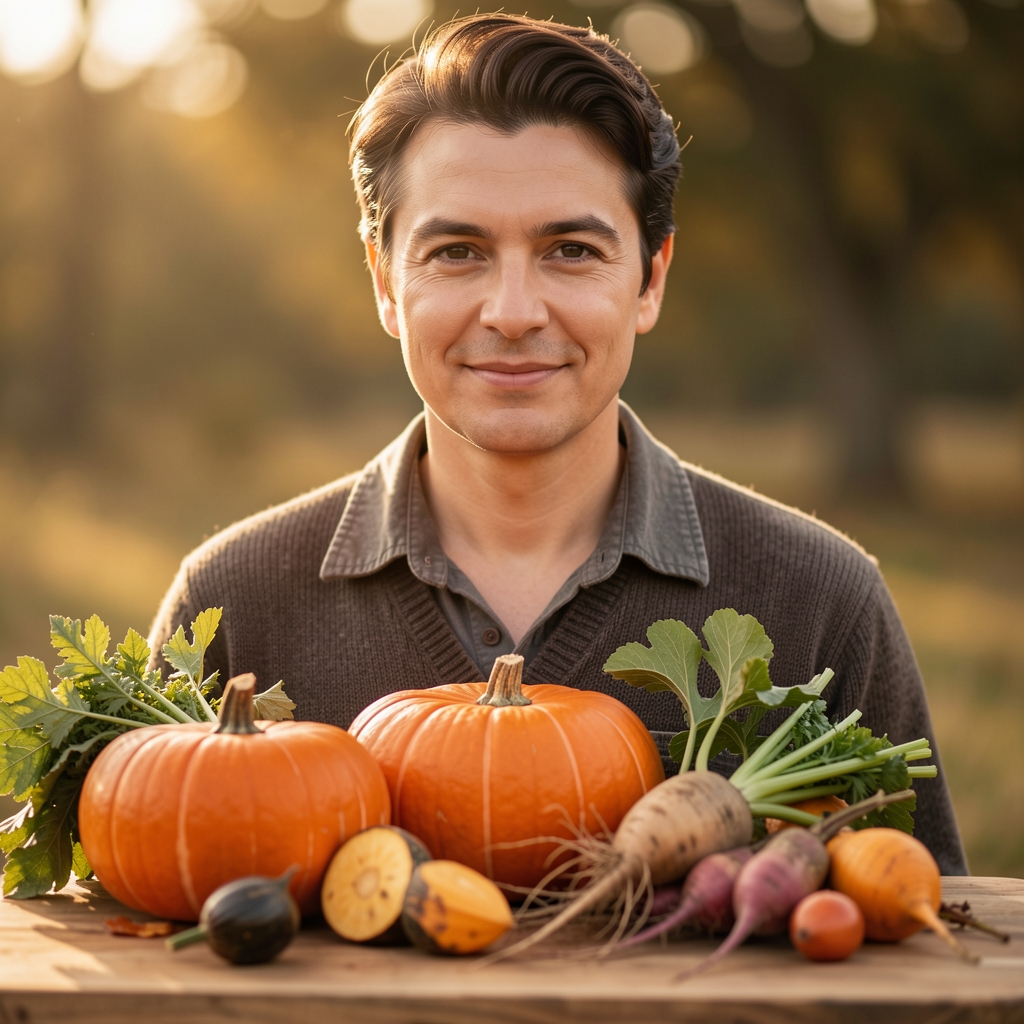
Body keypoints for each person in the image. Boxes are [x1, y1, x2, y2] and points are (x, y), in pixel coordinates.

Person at [148, 14, 967, 874]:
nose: (512, 312)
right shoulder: (234, 604)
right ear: (385, 281)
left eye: (570, 251)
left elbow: (924, 939)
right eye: (458, 251)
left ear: (649, 279)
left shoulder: (821, 602)